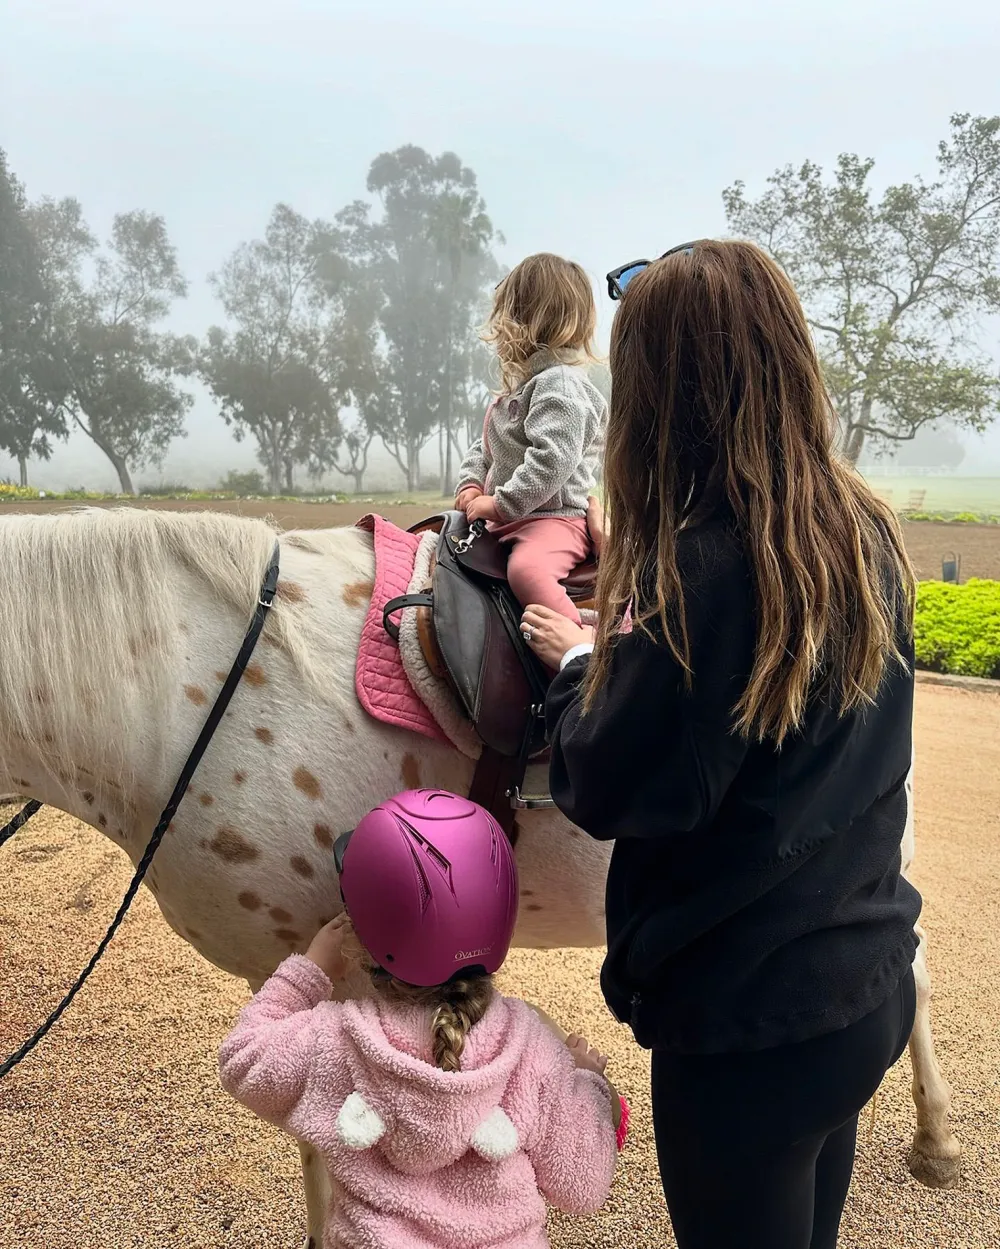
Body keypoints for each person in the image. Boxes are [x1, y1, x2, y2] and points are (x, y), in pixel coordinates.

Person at [519, 240, 921, 1249]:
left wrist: (576, 661)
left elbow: (613, 782)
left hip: (748, 1032)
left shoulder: (701, 573)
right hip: (863, 983)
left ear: (659, 396)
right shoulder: (859, 526)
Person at [220, 789, 627, 1249]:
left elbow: (243, 1058)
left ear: (363, 940)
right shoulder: (532, 1049)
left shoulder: (339, 1041)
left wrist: (310, 970)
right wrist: (584, 1083)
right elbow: (583, 1186)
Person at [456, 252, 607, 626]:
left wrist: (500, 504)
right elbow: (487, 447)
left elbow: (551, 461)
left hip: (552, 519)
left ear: (525, 319)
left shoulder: (561, 385)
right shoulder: (517, 391)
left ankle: (583, 658)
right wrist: (472, 484)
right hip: (512, 516)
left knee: (526, 572)